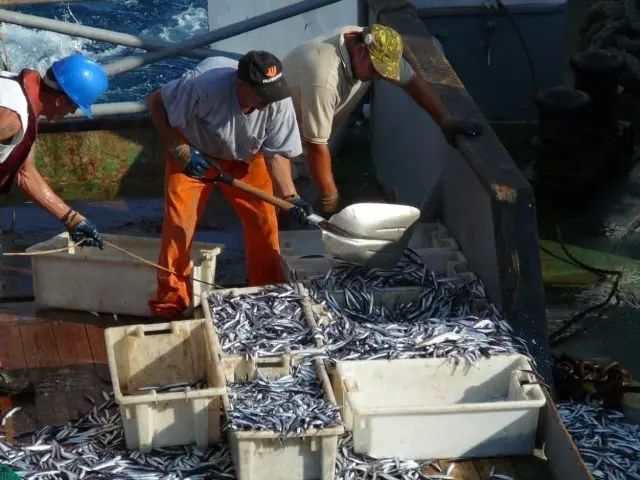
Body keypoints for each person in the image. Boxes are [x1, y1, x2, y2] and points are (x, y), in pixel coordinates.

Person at [147, 50, 312, 320]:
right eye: (261, 94)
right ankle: (170, 304)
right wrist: (179, 150)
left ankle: (267, 295)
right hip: (193, 153)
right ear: (241, 84)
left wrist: (290, 196)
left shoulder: (277, 101)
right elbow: (156, 103)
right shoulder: (202, 84)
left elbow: (277, 154)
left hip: (246, 157)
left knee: (264, 222)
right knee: (179, 225)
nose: (267, 102)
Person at [283, 24, 484, 216]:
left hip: (308, 145)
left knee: (305, 215)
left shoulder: (368, 41)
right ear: (361, 52)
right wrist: (330, 197)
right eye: (376, 70)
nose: (379, 77)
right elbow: (317, 146)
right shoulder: (324, 78)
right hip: (277, 147)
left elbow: (412, 81)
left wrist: (445, 120)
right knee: (278, 210)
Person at [0, 54, 108, 396]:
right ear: (60, 98)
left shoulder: (21, 95)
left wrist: (73, 218)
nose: (73, 114)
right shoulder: (11, 117)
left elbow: (24, 172)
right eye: (75, 106)